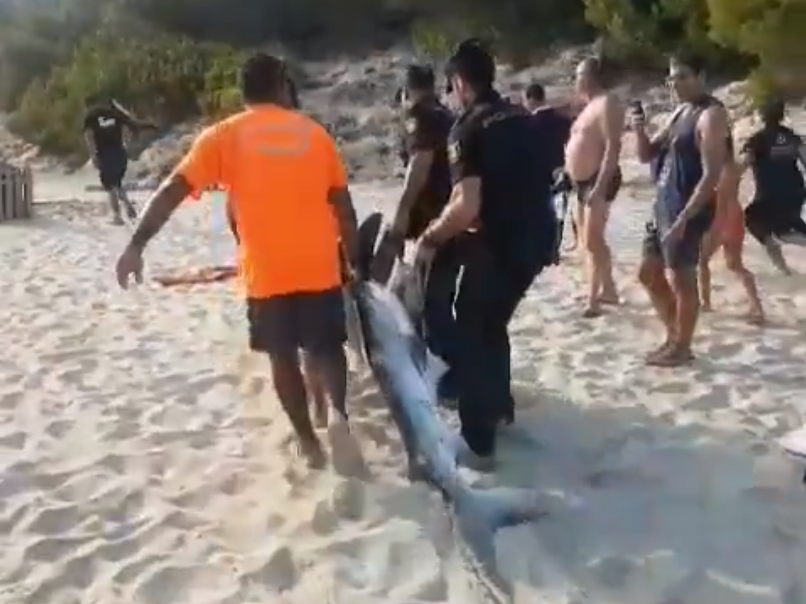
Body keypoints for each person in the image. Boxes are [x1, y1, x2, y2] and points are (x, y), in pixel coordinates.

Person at [115, 52, 360, 468]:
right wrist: (352, 263)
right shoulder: (314, 134)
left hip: (267, 271)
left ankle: (308, 441)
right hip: (319, 264)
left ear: (244, 92)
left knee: (282, 355)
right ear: (282, 85)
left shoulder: (223, 136)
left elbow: (174, 189)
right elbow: (344, 208)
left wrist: (136, 244)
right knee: (325, 345)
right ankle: (337, 414)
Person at [412, 39, 556, 468]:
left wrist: (430, 238)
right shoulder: (522, 116)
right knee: (494, 321)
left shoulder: (468, 127)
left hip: (505, 240)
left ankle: (478, 443)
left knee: (474, 328)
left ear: (459, 82)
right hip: (541, 236)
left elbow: (466, 205)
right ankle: (500, 408)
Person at [632, 51, 729, 366]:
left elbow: (712, 173)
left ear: (702, 77)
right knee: (648, 274)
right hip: (663, 205)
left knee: (682, 280)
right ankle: (675, 336)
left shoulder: (711, 115)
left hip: (687, 209)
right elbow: (646, 155)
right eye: (672, 77)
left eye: (683, 76)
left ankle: (682, 346)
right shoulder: (679, 112)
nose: (676, 83)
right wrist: (638, 128)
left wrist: (685, 218)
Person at [371, 64, 458, 395]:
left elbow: (419, 169)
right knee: (437, 298)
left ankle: (444, 378)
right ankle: (440, 368)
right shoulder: (447, 115)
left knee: (431, 303)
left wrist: (401, 213)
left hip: (432, 224)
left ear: (407, 92)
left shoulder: (421, 117)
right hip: (452, 217)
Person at [564, 58, 624, 317]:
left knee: (592, 240)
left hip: (599, 178)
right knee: (585, 241)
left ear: (590, 76)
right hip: (580, 182)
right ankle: (607, 289)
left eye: (578, 75)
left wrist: (599, 187)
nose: (575, 80)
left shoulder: (607, 102)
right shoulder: (587, 106)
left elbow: (613, 146)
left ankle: (594, 300)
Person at [697, 135, 765, 323]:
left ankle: (706, 303)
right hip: (736, 217)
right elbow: (749, 159)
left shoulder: (715, 170)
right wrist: (752, 148)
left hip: (721, 218)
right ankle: (757, 306)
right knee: (735, 265)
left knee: (702, 262)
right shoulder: (735, 166)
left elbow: (711, 194)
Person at [739, 97, 806, 275]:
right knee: (784, 227)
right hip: (795, 192)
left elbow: (742, 166)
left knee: (757, 222)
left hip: (770, 194)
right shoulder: (793, 138)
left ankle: (783, 269)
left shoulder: (758, 140)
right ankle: (784, 271)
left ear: (761, 116)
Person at [82, 96, 157, 224]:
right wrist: (151, 126)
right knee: (116, 183)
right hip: (120, 153)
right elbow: (133, 122)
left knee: (109, 187)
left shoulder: (91, 116)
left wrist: (93, 155)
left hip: (105, 155)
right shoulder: (116, 114)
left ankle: (117, 217)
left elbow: (89, 137)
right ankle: (127, 205)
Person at [523, 82, 576, 256]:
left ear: (530, 99)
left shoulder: (528, 123)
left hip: (538, 174)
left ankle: (544, 249)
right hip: (561, 171)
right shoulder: (563, 120)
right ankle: (555, 249)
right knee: (559, 213)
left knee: (540, 213)